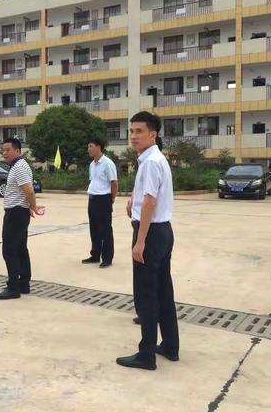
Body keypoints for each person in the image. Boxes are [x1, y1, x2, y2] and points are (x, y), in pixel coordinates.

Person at [117, 111, 179, 371]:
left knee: (146, 295)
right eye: (131, 131)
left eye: (139, 131)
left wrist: (140, 241)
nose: (133, 136)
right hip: (163, 231)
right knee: (163, 291)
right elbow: (147, 197)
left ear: (153, 134)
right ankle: (170, 346)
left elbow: (151, 202)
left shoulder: (151, 161)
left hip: (151, 234)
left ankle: (146, 355)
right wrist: (134, 202)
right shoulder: (154, 159)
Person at [0, 138, 45, 300]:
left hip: (15, 213)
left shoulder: (20, 167)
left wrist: (33, 207)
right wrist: (29, 206)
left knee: (10, 250)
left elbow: (29, 191)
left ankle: (13, 287)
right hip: (19, 212)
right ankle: (24, 284)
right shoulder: (18, 166)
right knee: (21, 249)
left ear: (17, 151)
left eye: (8, 150)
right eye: (3, 150)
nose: (5, 153)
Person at [81, 138, 118, 268]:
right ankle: (95, 255)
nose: (88, 149)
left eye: (90, 146)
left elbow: (114, 183)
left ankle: (107, 258)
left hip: (104, 199)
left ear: (98, 147)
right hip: (92, 199)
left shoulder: (108, 163)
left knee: (105, 230)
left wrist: (111, 199)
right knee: (94, 228)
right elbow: (94, 181)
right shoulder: (92, 164)